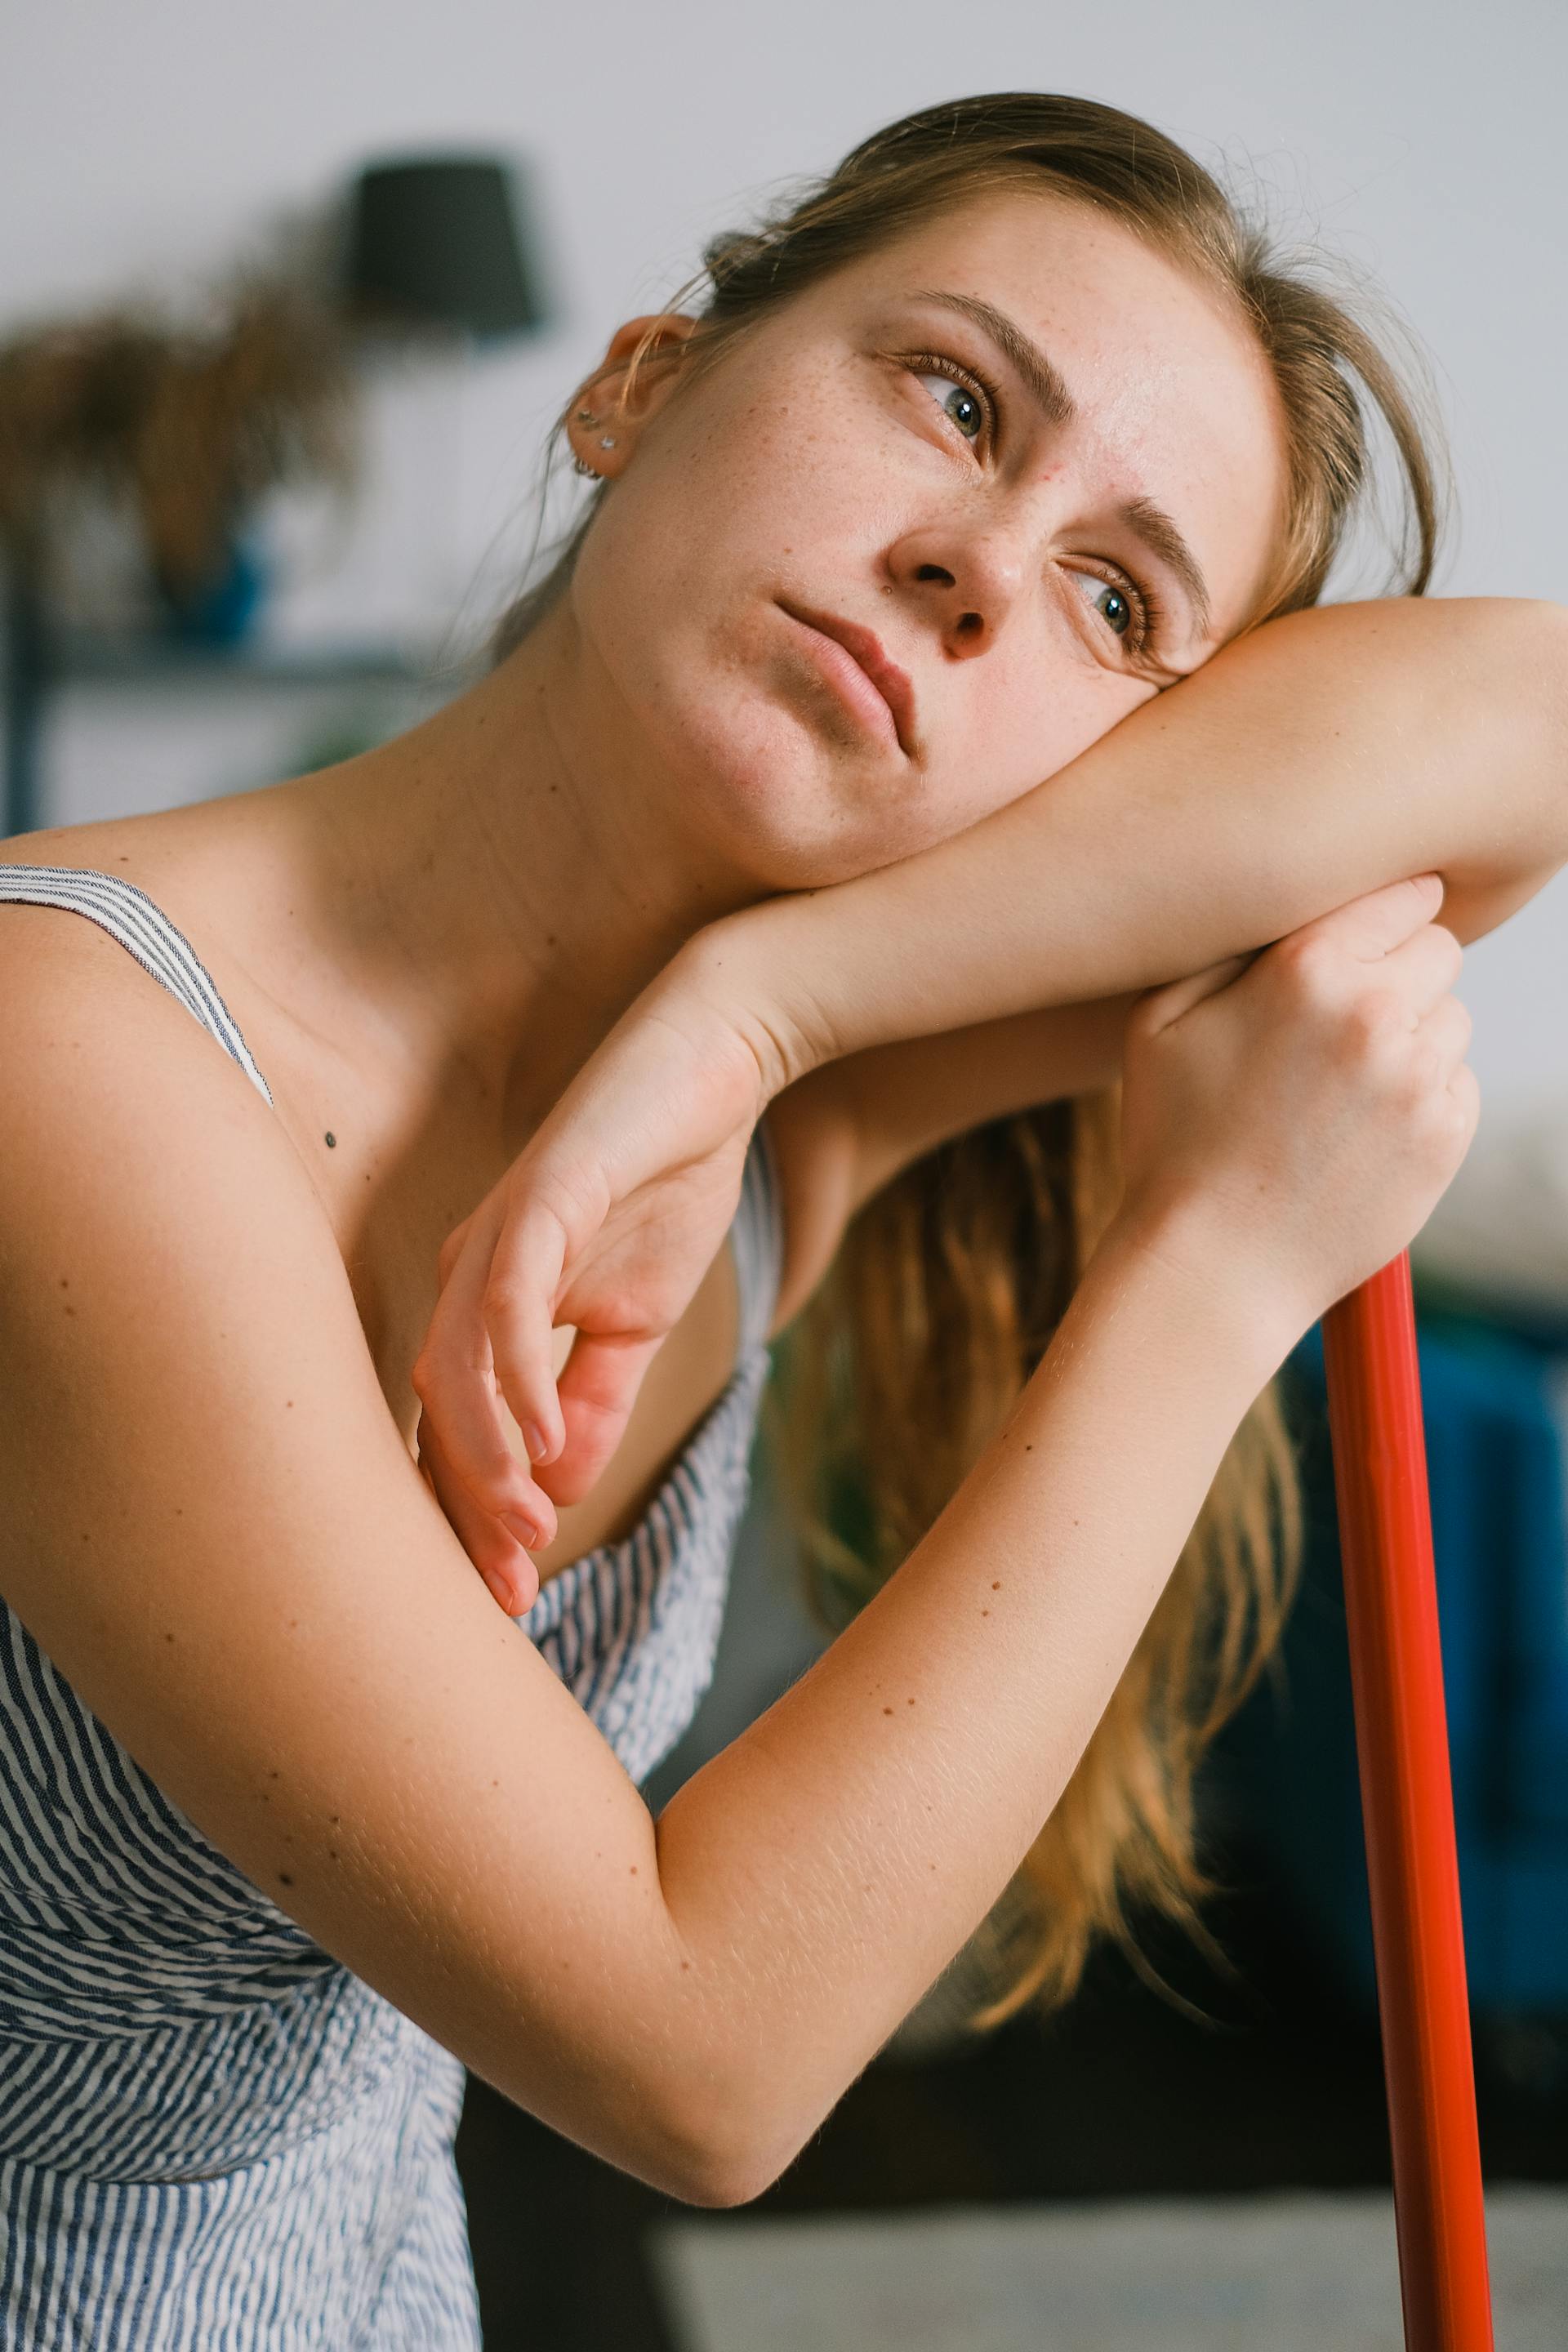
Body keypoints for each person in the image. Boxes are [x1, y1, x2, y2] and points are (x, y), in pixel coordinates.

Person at [0, 89, 1561, 2350]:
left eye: (1115, 597)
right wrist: (1215, 1266)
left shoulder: (788, 1127)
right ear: (640, 381)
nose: (982, 565)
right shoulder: (75, 1066)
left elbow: (1533, 718)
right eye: (952, 395)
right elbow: (697, 2059)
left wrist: (755, 1014)